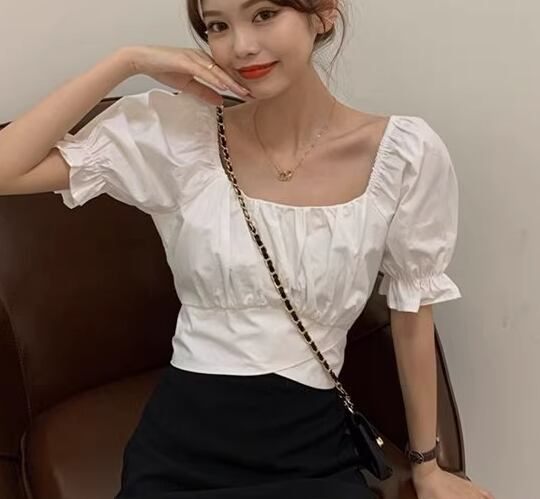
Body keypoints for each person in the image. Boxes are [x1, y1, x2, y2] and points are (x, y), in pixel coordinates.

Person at [0, 1, 495, 498]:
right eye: (217, 25)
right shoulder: (179, 138)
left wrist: (427, 466)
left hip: (310, 450)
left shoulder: (402, 155)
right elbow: (7, 170)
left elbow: (412, 311)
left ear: (323, 13)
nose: (240, 46)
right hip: (181, 452)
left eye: (263, 14)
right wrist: (126, 62)